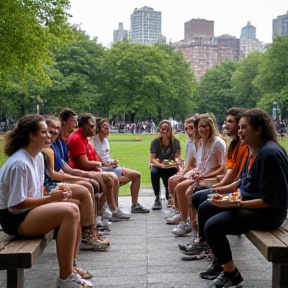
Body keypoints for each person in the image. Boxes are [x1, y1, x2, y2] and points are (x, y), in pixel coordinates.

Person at [190, 108, 288, 288]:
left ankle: (231, 275)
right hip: (251, 205)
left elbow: (274, 202)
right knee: (205, 207)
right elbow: (243, 181)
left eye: (244, 127)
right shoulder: (254, 149)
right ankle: (219, 261)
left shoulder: (270, 155)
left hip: (268, 214)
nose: (240, 131)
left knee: (213, 226)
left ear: (258, 129)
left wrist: (237, 204)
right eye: (239, 127)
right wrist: (223, 194)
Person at [0, 114, 93, 288]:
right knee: (69, 211)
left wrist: (57, 192)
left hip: (27, 213)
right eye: (44, 132)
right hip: (15, 219)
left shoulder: (38, 158)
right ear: (32, 135)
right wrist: (51, 199)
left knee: (74, 205)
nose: (49, 136)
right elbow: (15, 204)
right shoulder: (19, 163)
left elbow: (36, 192)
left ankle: (70, 268)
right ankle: (65, 278)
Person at [42, 117, 110, 252]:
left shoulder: (52, 146)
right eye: (50, 130)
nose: (54, 132)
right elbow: (53, 175)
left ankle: (92, 229)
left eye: (57, 129)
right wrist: (78, 177)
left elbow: (66, 168)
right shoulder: (47, 148)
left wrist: (83, 175)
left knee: (89, 184)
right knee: (86, 188)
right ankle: (88, 235)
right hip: (50, 185)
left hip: (55, 182)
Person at [67, 113, 131, 220]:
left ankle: (110, 210)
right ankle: (102, 213)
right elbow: (83, 164)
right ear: (83, 126)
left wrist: (102, 164)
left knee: (113, 177)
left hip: (93, 169)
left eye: (94, 126)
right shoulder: (78, 139)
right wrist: (100, 165)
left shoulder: (84, 138)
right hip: (82, 171)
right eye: (91, 127)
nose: (94, 130)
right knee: (110, 178)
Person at [172, 113, 226, 236]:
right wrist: (197, 173)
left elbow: (223, 168)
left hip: (215, 178)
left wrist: (203, 175)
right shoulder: (202, 142)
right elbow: (200, 164)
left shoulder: (218, 143)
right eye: (200, 127)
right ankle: (188, 222)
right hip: (204, 176)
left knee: (185, 189)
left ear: (211, 127)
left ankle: (191, 224)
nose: (202, 129)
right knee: (181, 186)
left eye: (205, 126)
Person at [91, 118, 149, 213]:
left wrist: (112, 162)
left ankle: (135, 205)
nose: (107, 130)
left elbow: (106, 157)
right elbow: (96, 160)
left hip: (110, 168)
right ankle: (115, 208)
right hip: (102, 169)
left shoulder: (105, 140)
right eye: (104, 128)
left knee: (136, 175)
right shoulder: (94, 141)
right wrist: (107, 164)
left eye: (108, 128)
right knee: (115, 180)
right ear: (98, 128)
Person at [166, 116, 198, 224]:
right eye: (186, 128)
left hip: (198, 172)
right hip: (194, 170)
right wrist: (182, 171)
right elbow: (189, 161)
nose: (188, 132)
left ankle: (184, 215)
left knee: (178, 182)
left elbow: (195, 164)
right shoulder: (190, 142)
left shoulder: (200, 142)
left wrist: (185, 173)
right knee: (172, 179)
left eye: (191, 128)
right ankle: (179, 210)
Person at [150, 120, 182, 210]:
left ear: (170, 130)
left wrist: (175, 162)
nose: (163, 131)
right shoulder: (155, 142)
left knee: (173, 170)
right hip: (159, 164)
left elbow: (177, 157)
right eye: (162, 129)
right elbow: (152, 159)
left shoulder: (175, 142)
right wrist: (160, 165)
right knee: (154, 172)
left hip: (171, 166)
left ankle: (170, 193)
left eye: (166, 129)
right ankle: (157, 198)